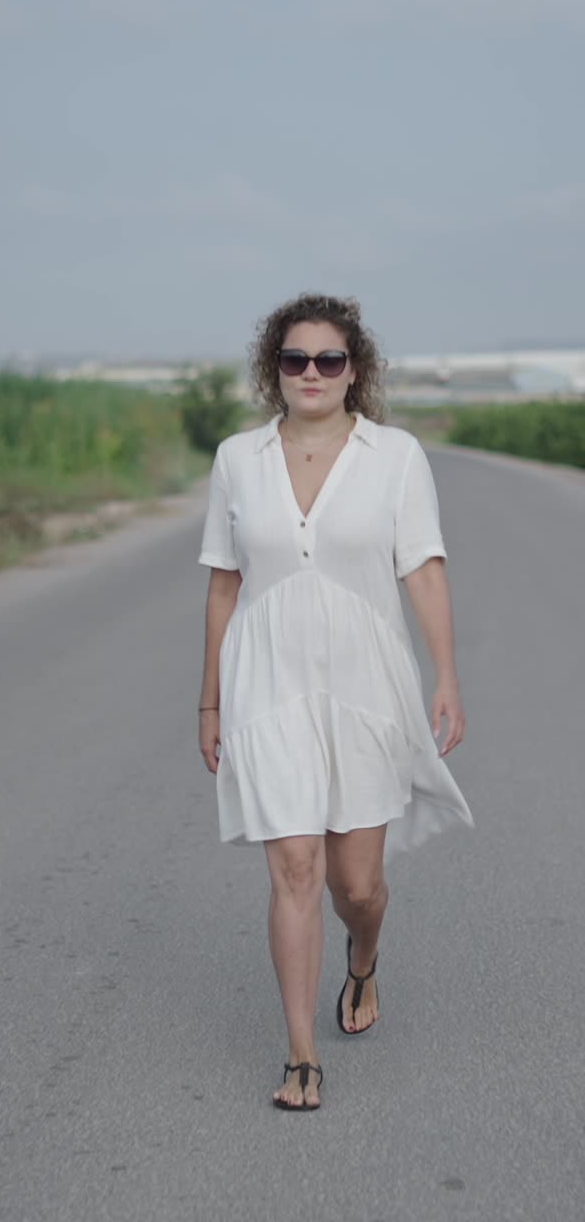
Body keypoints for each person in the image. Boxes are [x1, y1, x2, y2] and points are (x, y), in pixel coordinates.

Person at [197, 292, 475, 1112]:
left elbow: (423, 567)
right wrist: (209, 703)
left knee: (356, 883)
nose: (311, 373)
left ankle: (362, 956)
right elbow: (224, 583)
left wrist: (446, 675)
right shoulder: (236, 460)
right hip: (267, 684)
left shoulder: (395, 455)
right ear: (272, 371)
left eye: (329, 359)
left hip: (365, 686)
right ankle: (301, 1052)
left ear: (355, 369)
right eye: (295, 360)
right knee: (294, 867)